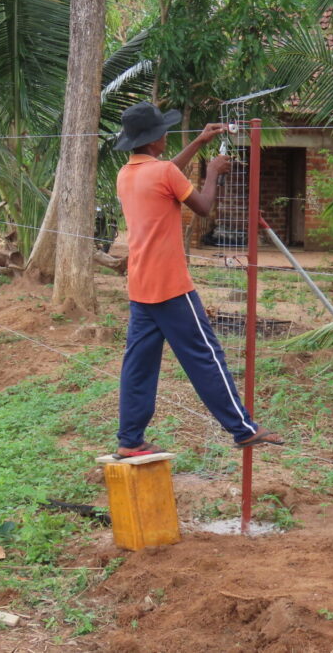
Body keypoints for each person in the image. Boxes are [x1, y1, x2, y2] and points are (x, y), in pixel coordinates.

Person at [112, 101, 283, 459]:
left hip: (141, 287)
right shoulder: (162, 174)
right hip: (172, 286)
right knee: (207, 357)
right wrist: (214, 172)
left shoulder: (128, 174)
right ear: (157, 139)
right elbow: (203, 206)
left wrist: (200, 143)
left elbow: (165, 176)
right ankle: (243, 429)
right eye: (165, 133)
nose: (168, 137)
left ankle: (130, 440)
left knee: (138, 366)